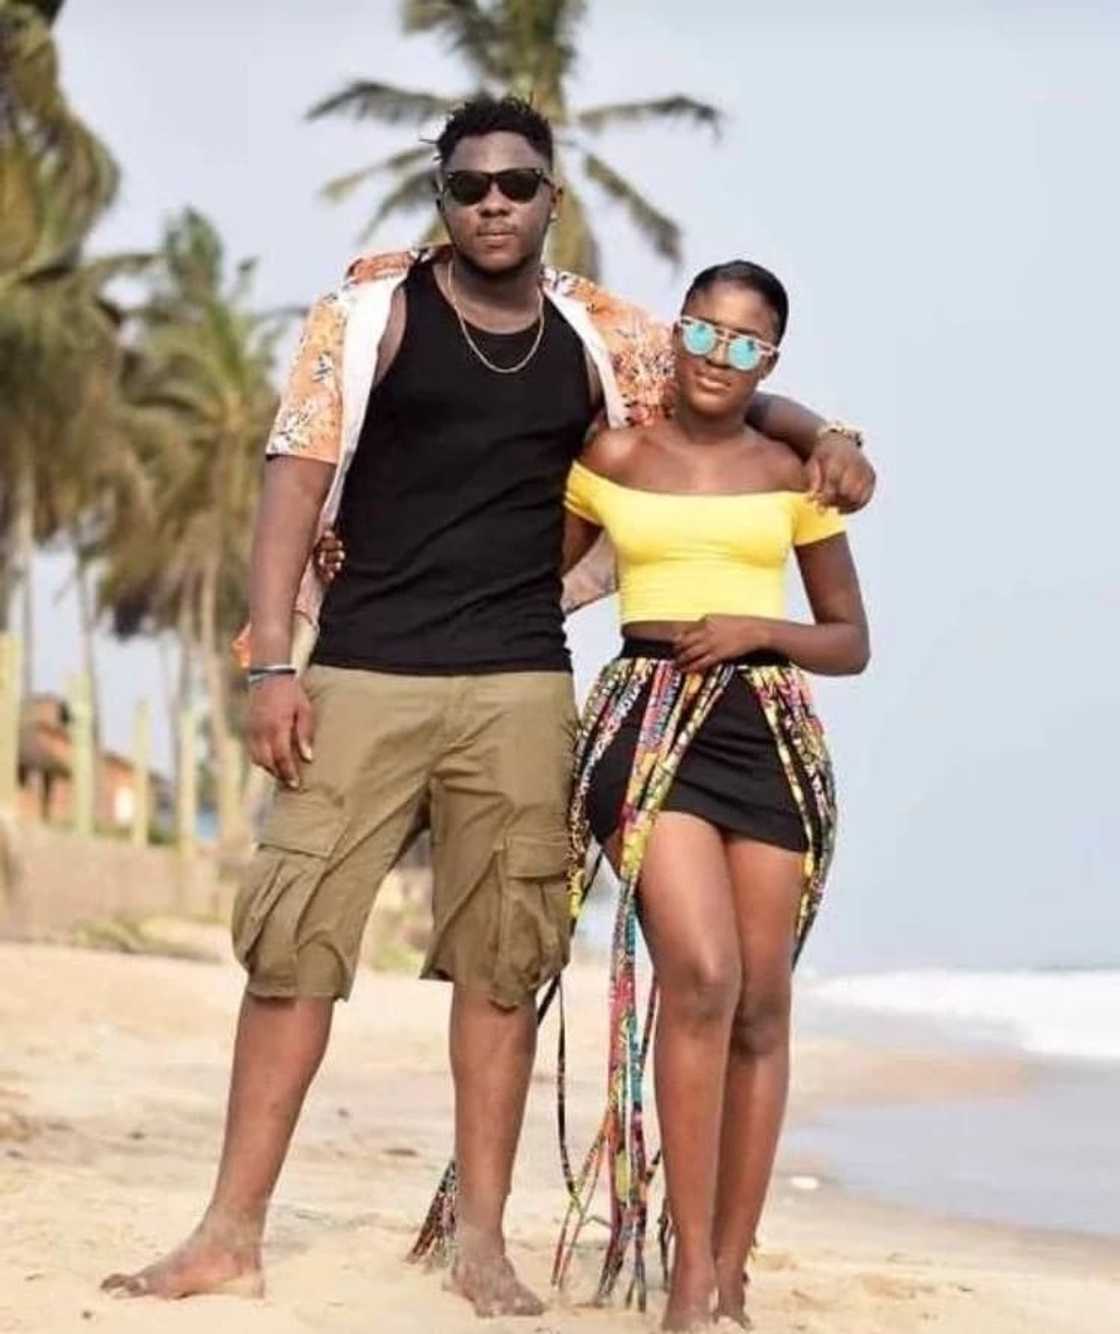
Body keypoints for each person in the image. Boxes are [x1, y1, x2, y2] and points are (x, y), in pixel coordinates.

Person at [100, 95, 874, 1317]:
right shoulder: (364, 317)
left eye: (517, 183)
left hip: (520, 678)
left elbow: (721, 385)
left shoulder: (604, 332)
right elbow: (290, 485)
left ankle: (483, 1246)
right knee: (294, 944)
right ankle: (228, 1230)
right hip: (361, 666)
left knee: (505, 966)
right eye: (470, 187)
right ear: (443, 197)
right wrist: (270, 663)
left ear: (550, 195)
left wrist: (822, 428)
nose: (494, 204)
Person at [552, 260, 870, 1331]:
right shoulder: (608, 455)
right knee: (699, 972)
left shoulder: (794, 471)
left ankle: (732, 1268)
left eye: (747, 344)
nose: (719, 358)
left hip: (767, 730)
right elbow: (525, 581)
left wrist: (759, 630)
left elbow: (847, 640)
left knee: (762, 1000)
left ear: (769, 361)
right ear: (677, 332)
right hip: (646, 721)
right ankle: (687, 1278)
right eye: (705, 331)